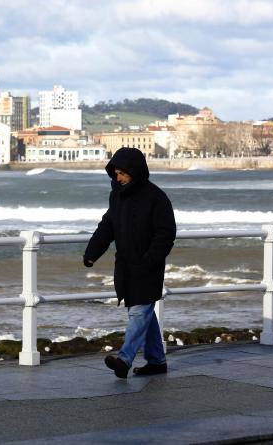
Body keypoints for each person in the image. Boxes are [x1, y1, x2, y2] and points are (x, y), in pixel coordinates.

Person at [83, 147, 176, 379]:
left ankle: (124, 359)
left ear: (135, 171)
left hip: (148, 267)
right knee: (144, 314)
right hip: (125, 266)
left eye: (122, 173)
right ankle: (157, 361)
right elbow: (107, 226)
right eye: (115, 173)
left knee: (138, 312)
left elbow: (165, 234)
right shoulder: (117, 196)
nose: (119, 178)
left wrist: (149, 260)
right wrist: (92, 253)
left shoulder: (156, 197)